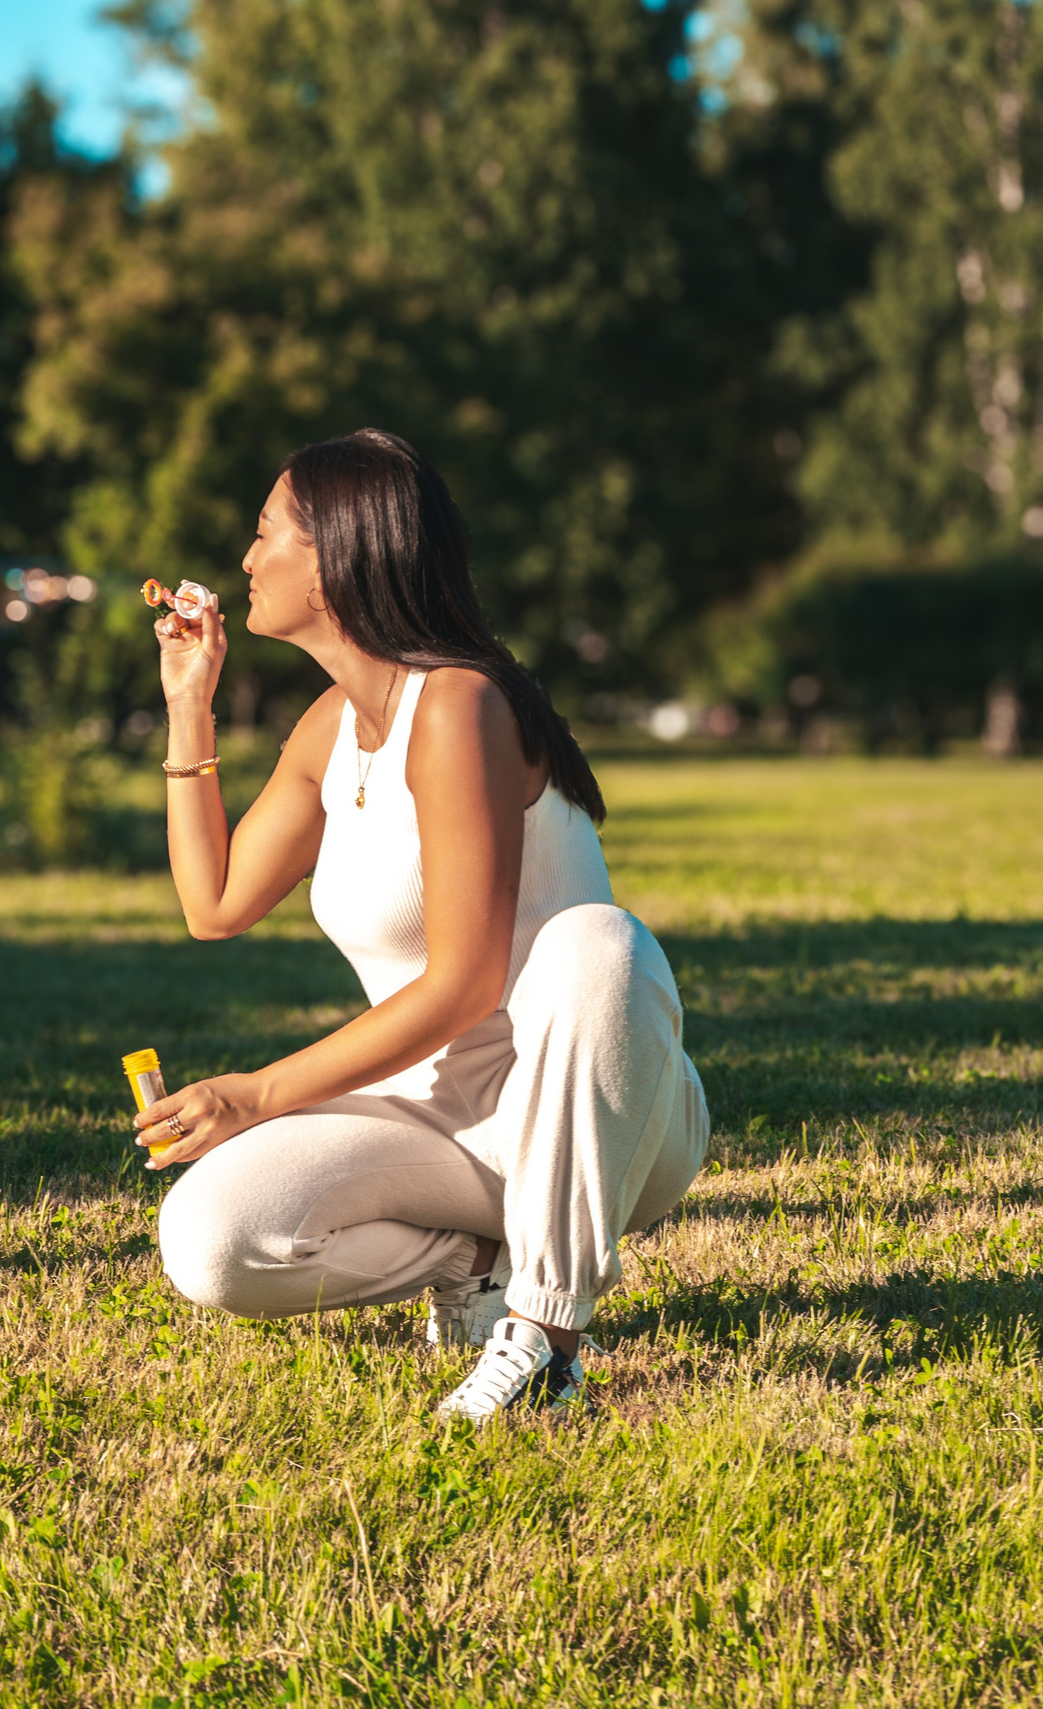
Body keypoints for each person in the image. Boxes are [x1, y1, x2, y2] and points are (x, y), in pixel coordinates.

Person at [134, 430, 708, 1422]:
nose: (243, 560)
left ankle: (546, 1336)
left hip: (602, 1115)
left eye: (265, 531)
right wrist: (190, 702)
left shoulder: (459, 705)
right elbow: (213, 903)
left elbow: (465, 984)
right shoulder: (325, 730)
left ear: (336, 556)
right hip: (436, 1124)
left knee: (595, 941)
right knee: (210, 1236)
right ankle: (486, 1261)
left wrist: (258, 1092)